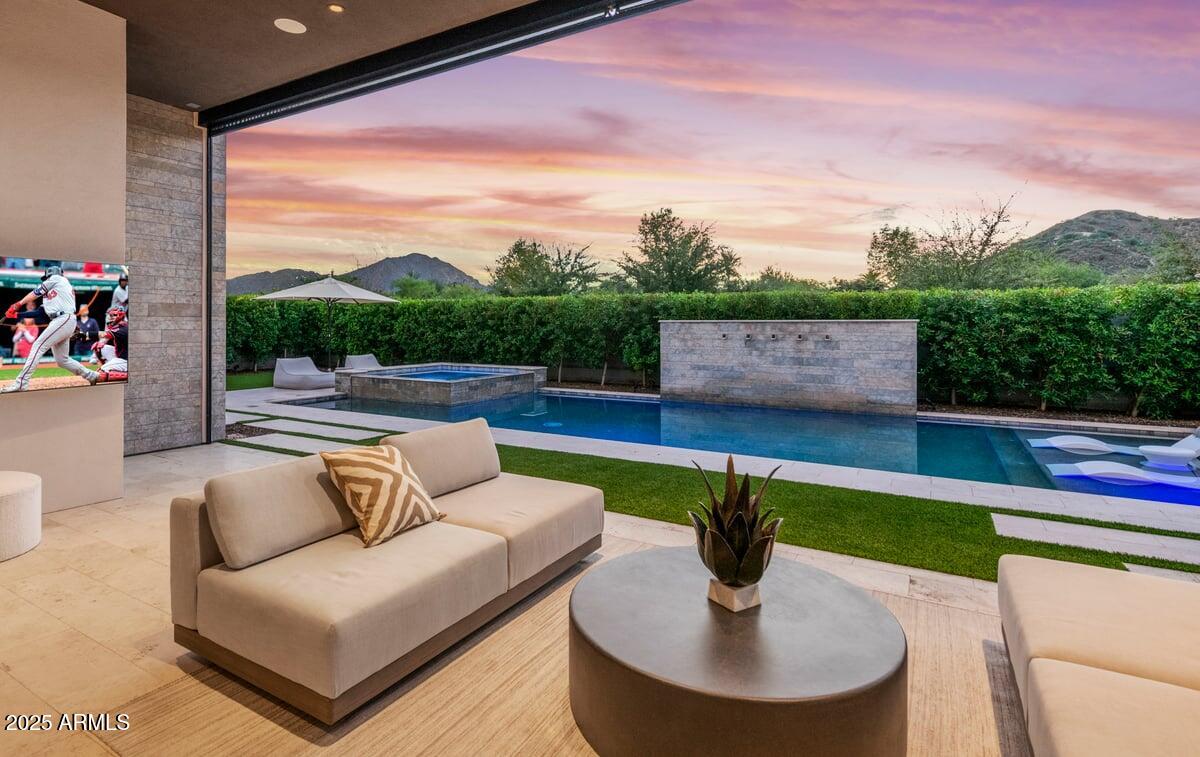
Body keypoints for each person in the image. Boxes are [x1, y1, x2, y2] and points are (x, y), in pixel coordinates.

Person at [2, 266, 99, 392]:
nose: (46, 279)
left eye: (47, 277)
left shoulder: (58, 279)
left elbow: (35, 292)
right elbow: (39, 313)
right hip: (62, 321)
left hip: (63, 319)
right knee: (62, 360)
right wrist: (17, 315)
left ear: (51, 274)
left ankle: (21, 383)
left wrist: (18, 304)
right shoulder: (54, 292)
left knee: (38, 345)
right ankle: (91, 375)